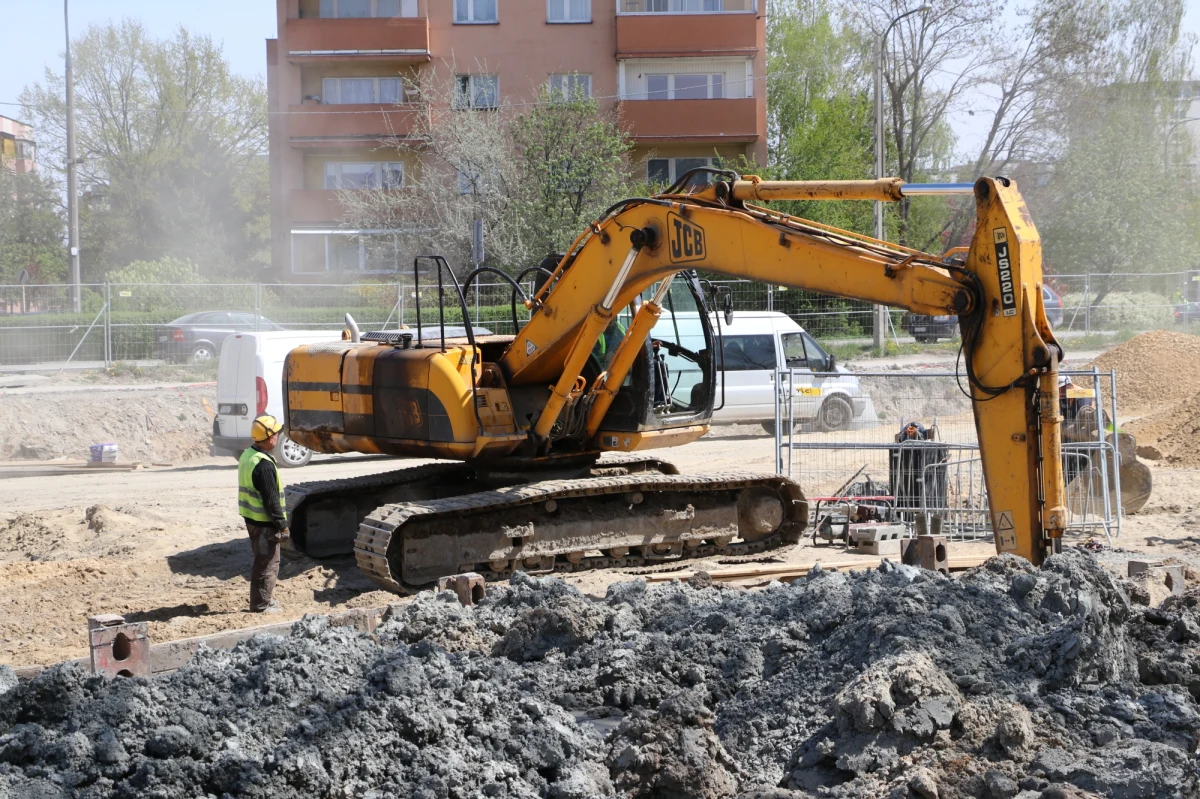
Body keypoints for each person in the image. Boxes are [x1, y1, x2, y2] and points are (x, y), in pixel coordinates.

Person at [238, 415, 289, 613]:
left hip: (251, 518)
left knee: (262, 560)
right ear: (269, 438)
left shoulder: (247, 455)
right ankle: (261, 605)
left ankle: (261, 601)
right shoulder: (264, 465)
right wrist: (282, 525)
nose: (277, 436)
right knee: (268, 563)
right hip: (264, 522)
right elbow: (272, 502)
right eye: (275, 433)